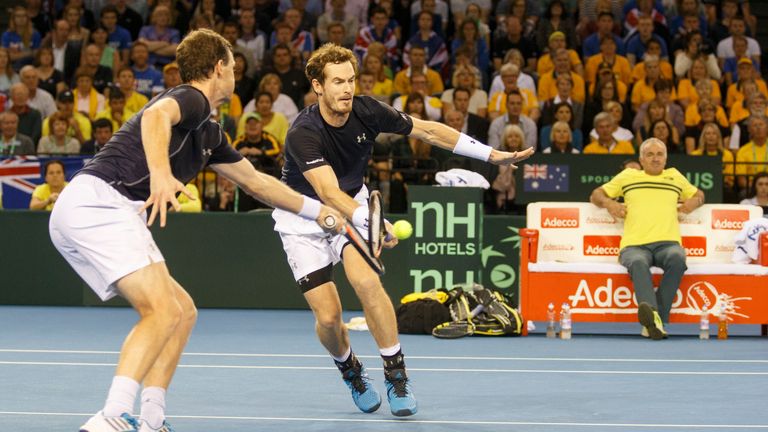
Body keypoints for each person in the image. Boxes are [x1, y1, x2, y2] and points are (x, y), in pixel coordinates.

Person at [48, 29, 342, 432]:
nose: (236, 75)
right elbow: (155, 117)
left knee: (182, 311)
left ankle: (151, 416)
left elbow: (258, 183)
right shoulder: (190, 97)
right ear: (219, 68)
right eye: (234, 68)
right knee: (162, 310)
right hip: (100, 202)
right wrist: (161, 174)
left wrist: (321, 211)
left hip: (97, 208)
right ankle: (112, 416)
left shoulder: (208, 131)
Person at [276, 43, 533, 417]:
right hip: (303, 217)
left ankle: (396, 374)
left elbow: (429, 131)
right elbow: (327, 192)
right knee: (329, 319)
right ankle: (350, 369)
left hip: (353, 205)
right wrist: (373, 222)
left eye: (351, 80)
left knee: (367, 283)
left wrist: (491, 155)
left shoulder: (367, 110)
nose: (347, 88)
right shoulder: (303, 132)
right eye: (337, 82)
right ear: (317, 86)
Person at [590, 137, 704, 340]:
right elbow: (596, 195)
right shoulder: (628, 176)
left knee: (678, 258)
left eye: (659, 154)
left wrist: (694, 202)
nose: (655, 159)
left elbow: (699, 195)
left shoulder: (674, 176)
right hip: (634, 246)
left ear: (666, 158)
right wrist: (609, 204)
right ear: (641, 159)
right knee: (637, 262)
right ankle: (656, 319)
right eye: (650, 154)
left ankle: (653, 319)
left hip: (667, 243)